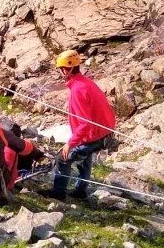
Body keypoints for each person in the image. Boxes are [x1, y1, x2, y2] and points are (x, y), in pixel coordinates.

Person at [39, 49, 116, 201]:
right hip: (103, 132)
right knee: (84, 157)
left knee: (63, 158)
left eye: (61, 69)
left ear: (65, 70)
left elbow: (85, 124)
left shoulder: (78, 90)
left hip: (94, 134)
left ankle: (58, 193)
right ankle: (81, 191)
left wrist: (70, 144)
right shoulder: (85, 82)